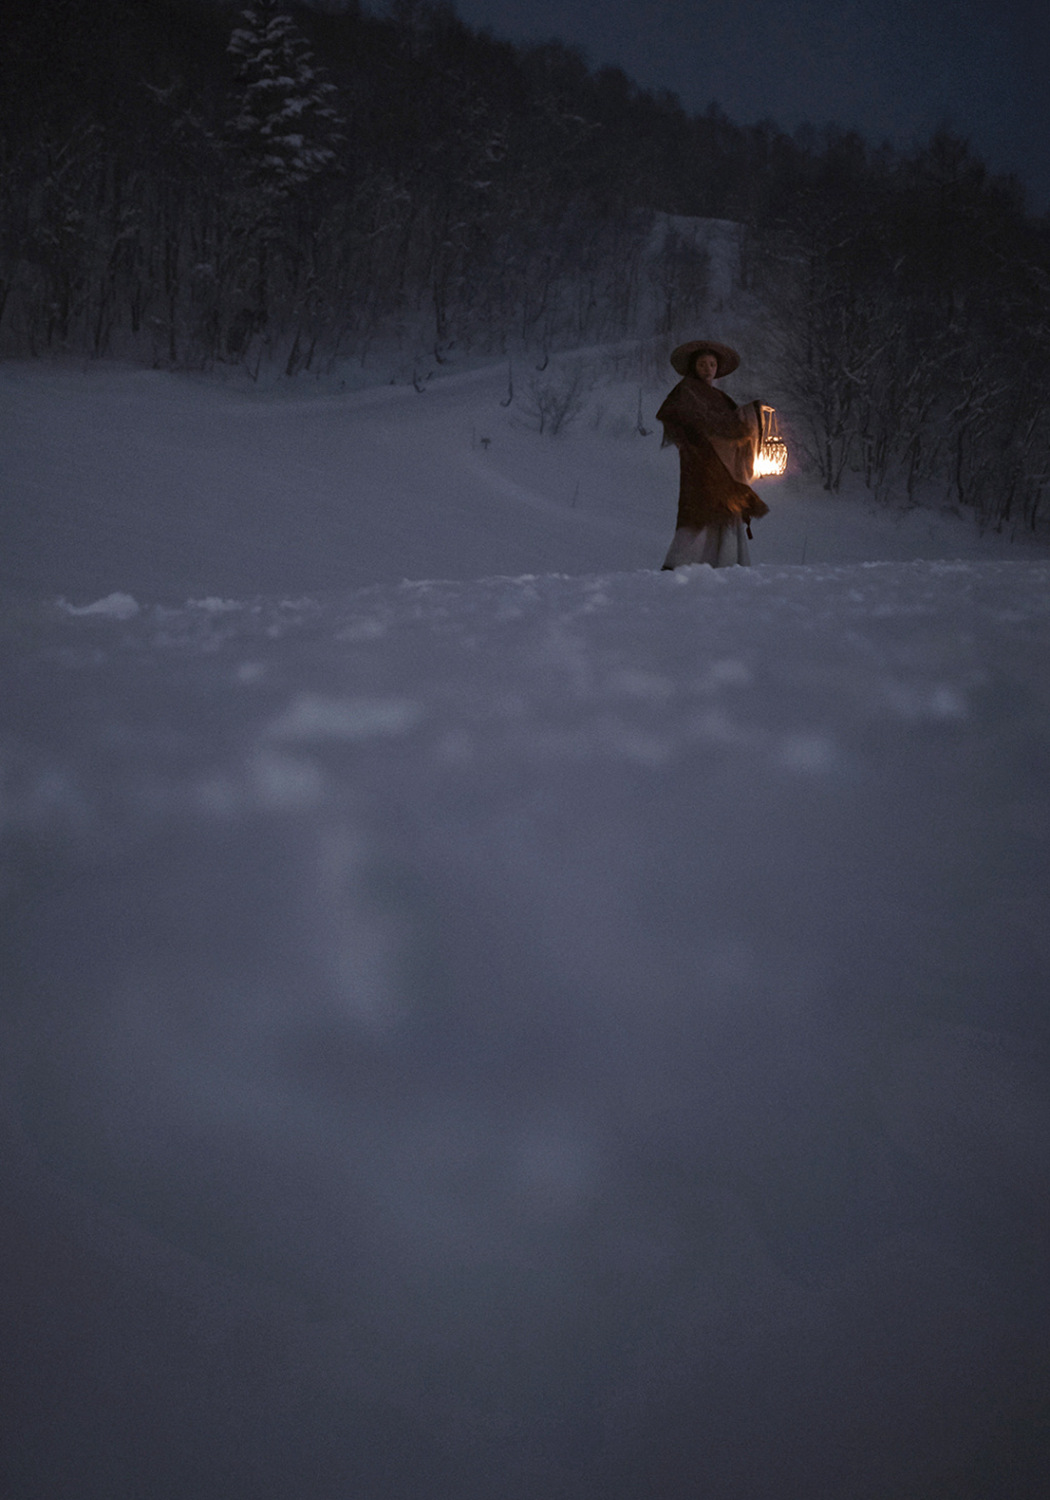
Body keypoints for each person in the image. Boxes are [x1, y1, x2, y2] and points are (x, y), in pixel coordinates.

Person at [657, 339, 769, 569]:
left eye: (711, 364)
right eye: (702, 364)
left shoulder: (722, 398)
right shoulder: (686, 391)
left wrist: (751, 415)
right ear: (693, 366)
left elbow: (732, 423)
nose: (707, 369)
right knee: (699, 510)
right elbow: (683, 419)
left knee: (727, 508)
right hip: (699, 463)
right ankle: (682, 564)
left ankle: (727, 562)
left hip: (725, 465)